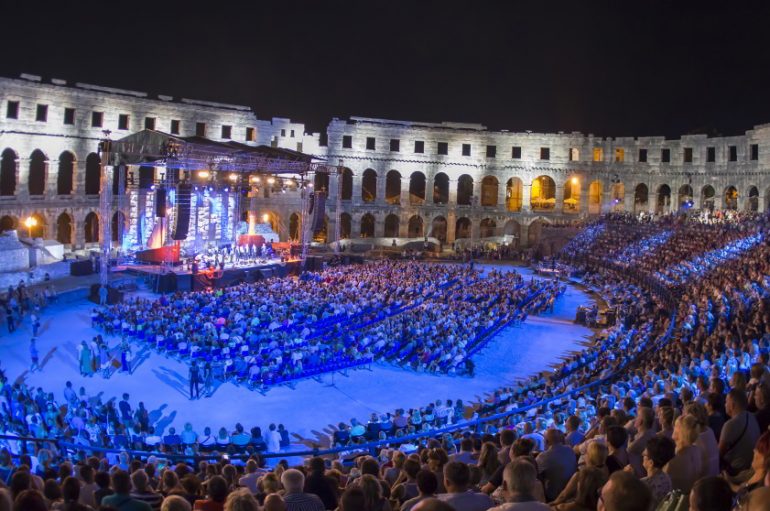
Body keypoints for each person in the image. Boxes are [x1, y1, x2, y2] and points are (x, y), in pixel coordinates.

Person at [535, 429, 577, 501]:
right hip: (572, 492)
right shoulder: (570, 450)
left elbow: (536, 475)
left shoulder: (543, 457)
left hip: (553, 496)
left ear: (546, 441)